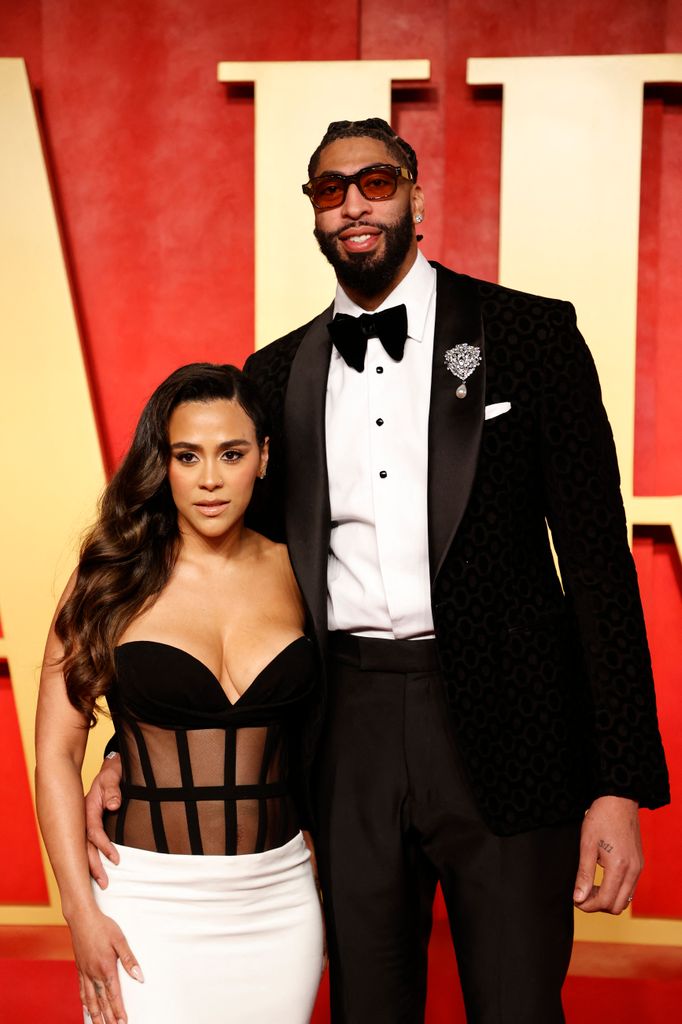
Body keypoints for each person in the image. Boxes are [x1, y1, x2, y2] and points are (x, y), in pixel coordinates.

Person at [85, 120, 669, 1023]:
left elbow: (598, 564)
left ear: (417, 196)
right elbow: (231, 577)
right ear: (314, 216)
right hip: (345, 726)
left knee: (519, 1006)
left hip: (513, 728)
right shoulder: (273, 376)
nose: (354, 204)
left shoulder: (531, 335)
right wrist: (136, 743)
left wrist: (619, 781)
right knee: (367, 1006)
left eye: (376, 181)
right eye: (330, 190)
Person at [36, 363, 324, 1024]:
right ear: (162, 463)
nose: (210, 479)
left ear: (264, 457)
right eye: (187, 456)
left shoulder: (299, 571)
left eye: (232, 453)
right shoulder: (109, 577)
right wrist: (80, 913)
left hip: (280, 899)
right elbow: (54, 752)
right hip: (144, 902)